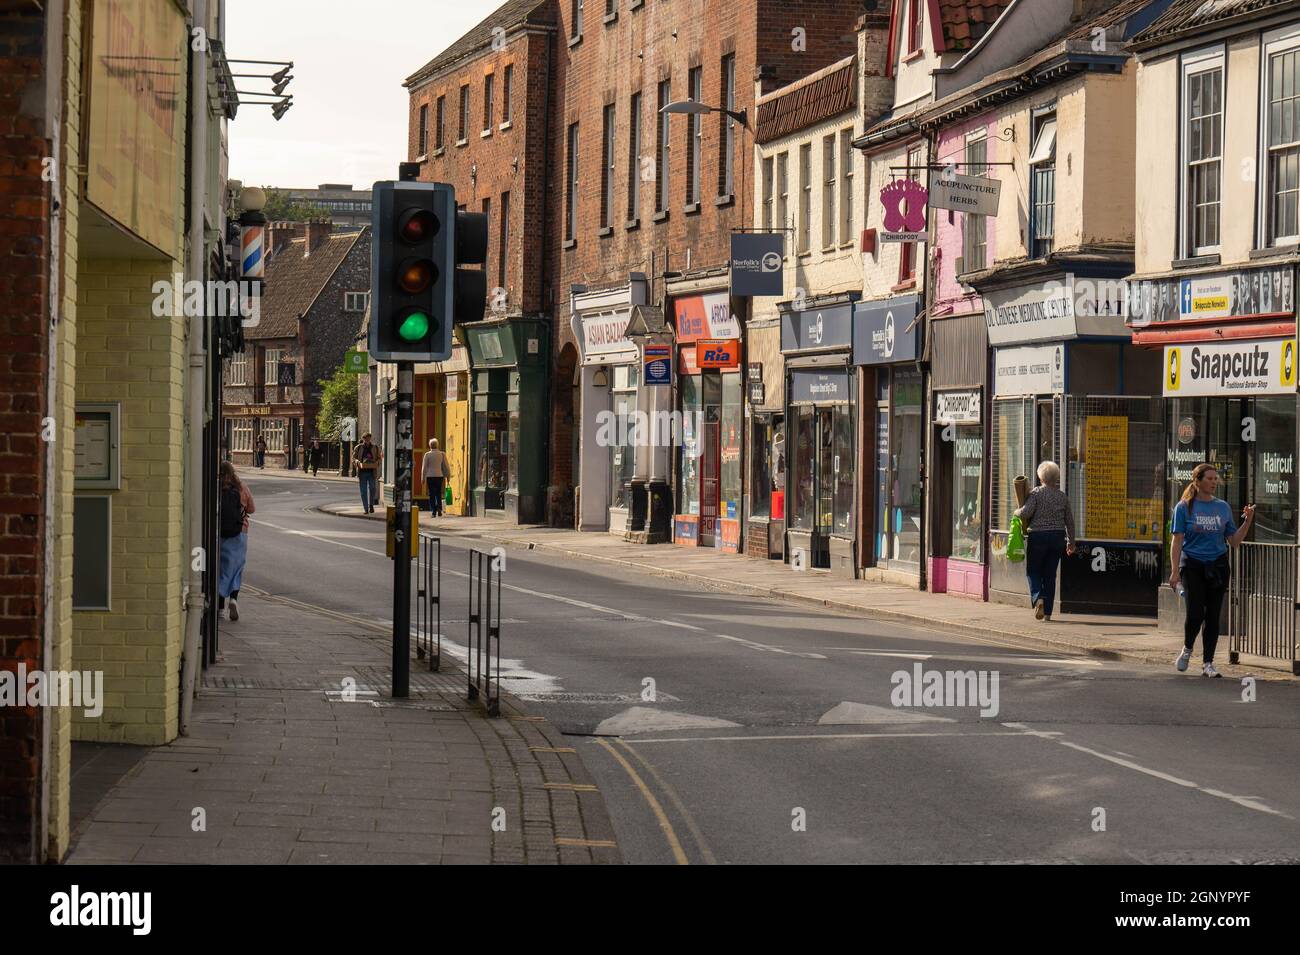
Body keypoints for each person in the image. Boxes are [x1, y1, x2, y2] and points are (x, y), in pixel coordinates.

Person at [1169, 463, 1255, 678]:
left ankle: (1208, 663)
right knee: (1196, 612)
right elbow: (1177, 540)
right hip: (1192, 565)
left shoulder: (1223, 507)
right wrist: (1174, 571)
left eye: (1216, 479)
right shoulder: (1184, 507)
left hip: (1217, 566)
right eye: (1209, 478)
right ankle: (1188, 649)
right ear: (1197, 481)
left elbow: (1234, 541)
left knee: (1213, 616)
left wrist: (1248, 521)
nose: (1214, 482)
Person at [1014, 460, 1077, 622]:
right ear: (1056, 478)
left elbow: (1026, 513)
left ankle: (1038, 598)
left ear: (1041, 477)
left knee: (1033, 571)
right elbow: (1069, 521)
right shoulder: (1062, 496)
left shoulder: (1036, 493)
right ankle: (1048, 612)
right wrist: (1071, 542)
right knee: (1050, 575)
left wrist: (1016, 511)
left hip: (1038, 536)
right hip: (1057, 538)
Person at [218, 461, 255, 621]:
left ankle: (219, 607)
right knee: (237, 567)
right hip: (240, 532)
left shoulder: (216, 486)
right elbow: (252, 509)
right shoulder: (242, 487)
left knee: (221, 568)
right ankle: (233, 599)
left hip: (219, 532)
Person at [421, 438, 451, 517]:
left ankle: (433, 511)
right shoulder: (442, 454)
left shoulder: (427, 455)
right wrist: (448, 476)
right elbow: (446, 466)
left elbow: (424, 467)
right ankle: (439, 509)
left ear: (430, 445)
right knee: (438, 493)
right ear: (437, 445)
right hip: (439, 476)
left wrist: (423, 478)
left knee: (431, 494)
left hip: (430, 476)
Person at [352, 431, 381, 513]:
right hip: (362, 473)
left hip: (372, 472)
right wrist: (358, 462)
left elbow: (379, 458)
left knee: (373, 489)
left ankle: (371, 504)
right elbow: (353, 458)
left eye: (368, 439)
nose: (367, 441)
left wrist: (377, 463)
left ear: (370, 439)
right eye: (366, 439)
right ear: (363, 439)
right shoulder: (358, 448)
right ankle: (366, 508)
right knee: (363, 491)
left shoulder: (375, 448)